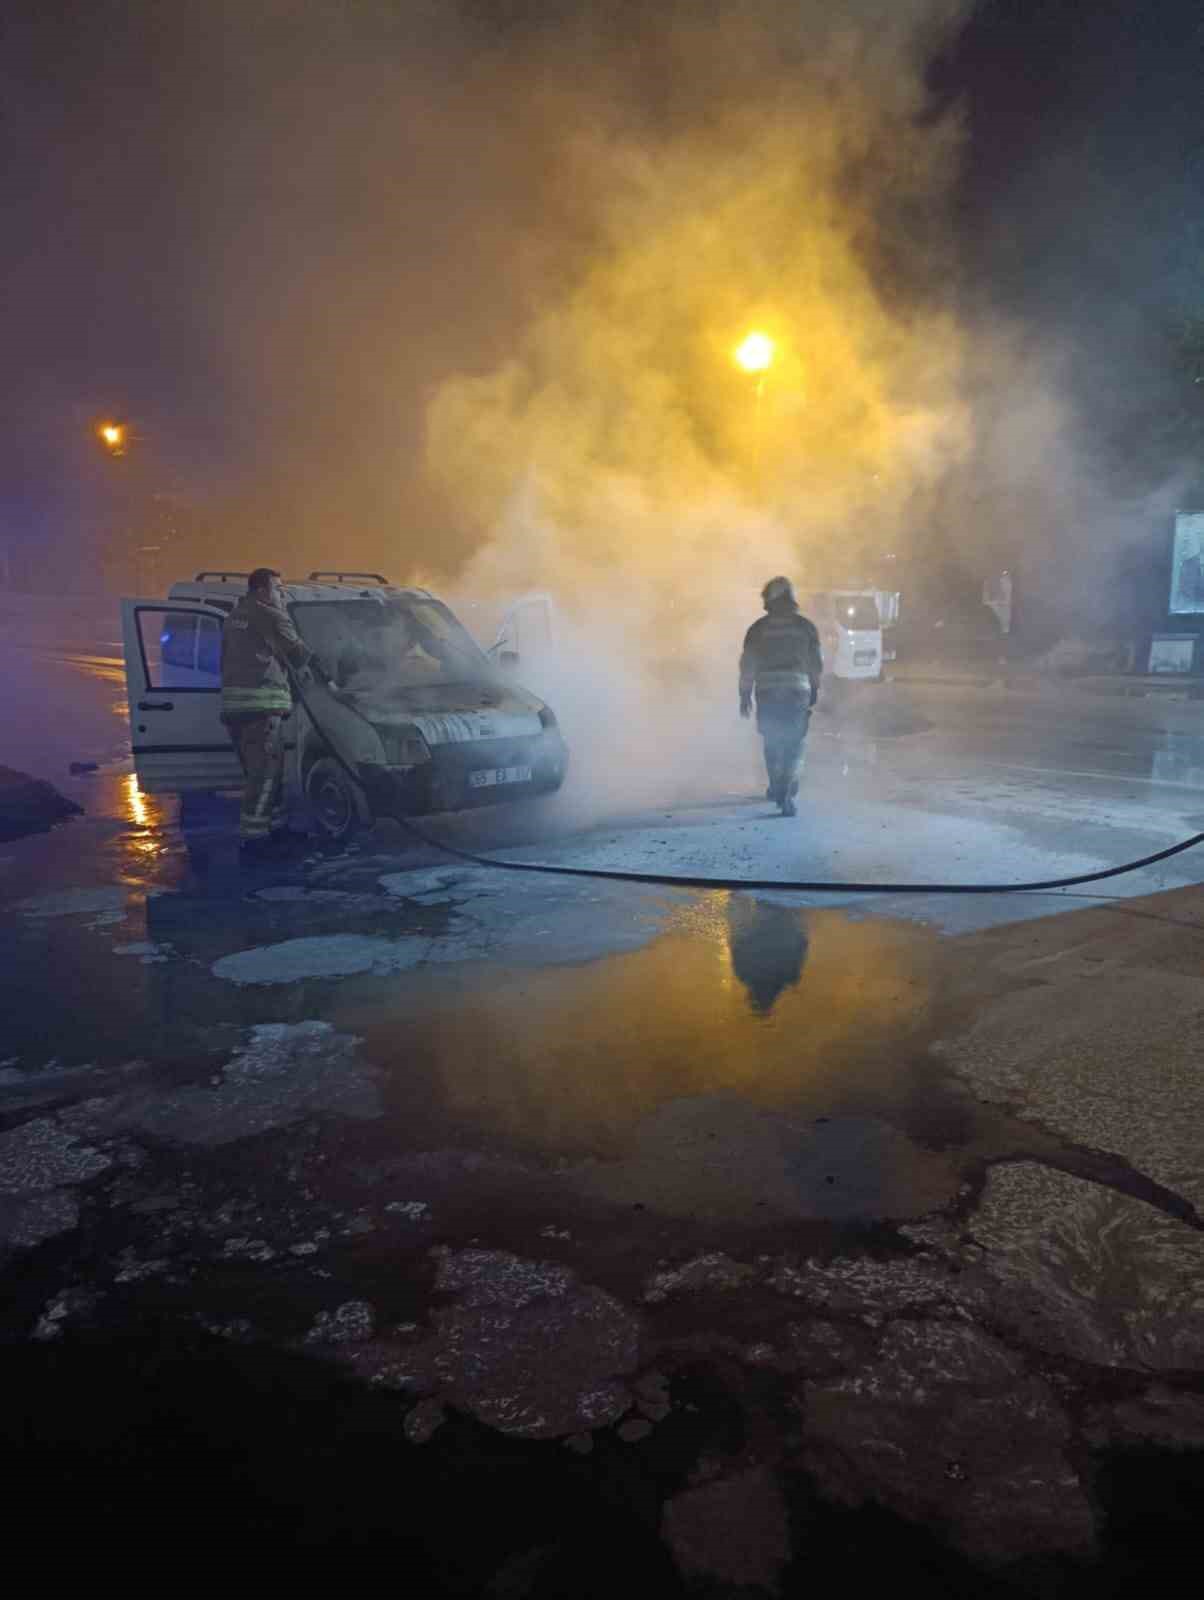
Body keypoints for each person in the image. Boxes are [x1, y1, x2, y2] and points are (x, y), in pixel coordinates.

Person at [220, 567, 321, 858]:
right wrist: (326, 673)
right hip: (261, 710)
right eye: (278, 588)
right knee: (265, 776)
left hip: (235, 710)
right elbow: (298, 653)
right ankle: (254, 841)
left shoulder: (234, 616)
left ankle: (275, 829)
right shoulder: (270, 614)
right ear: (262, 591)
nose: (281, 594)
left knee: (261, 774)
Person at [739, 576, 823, 817]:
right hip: (797, 691)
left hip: (767, 692)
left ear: (769, 600)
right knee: (794, 741)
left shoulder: (757, 629)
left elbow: (748, 664)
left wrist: (744, 693)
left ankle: (777, 785)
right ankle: (788, 784)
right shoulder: (806, 627)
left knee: (772, 739)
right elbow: (816, 663)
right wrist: (814, 688)